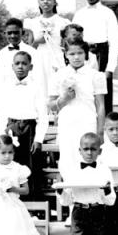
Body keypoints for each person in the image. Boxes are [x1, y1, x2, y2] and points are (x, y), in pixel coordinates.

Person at [49, 40, 106, 173]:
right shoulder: (58, 76)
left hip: (88, 123)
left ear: (86, 54)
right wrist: (64, 99)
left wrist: (100, 132)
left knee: (88, 158)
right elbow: (51, 105)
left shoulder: (96, 76)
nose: (76, 57)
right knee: (68, 160)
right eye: (72, 53)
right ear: (66, 55)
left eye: (80, 53)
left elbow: (101, 106)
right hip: (67, 124)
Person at [0, 51, 48, 198]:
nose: (20, 67)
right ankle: (12, 200)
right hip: (11, 129)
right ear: (12, 66)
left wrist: (38, 139)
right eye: (17, 63)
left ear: (30, 67)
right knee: (11, 164)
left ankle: (34, 204)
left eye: (24, 64)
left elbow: (43, 117)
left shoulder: (37, 86)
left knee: (31, 167)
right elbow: (2, 114)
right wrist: (1, 135)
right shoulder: (6, 86)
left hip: (30, 130)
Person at [73, 0, 118, 114]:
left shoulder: (108, 13)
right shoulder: (79, 14)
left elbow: (114, 42)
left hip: (102, 55)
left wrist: (110, 68)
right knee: (84, 92)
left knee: (103, 94)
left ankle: (105, 128)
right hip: (84, 57)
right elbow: (74, 39)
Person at [23, 0, 70, 90]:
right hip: (39, 61)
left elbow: (67, 45)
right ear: (38, 2)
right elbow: (29, 49)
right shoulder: (32, 23)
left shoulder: (63, 22)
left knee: (58, 89)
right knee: (41, 89)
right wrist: (38, 41)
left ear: (54, 2)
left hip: (57, 59)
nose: (45, 2)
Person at [0, 18, 39, 103]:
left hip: (28, 95)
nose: (12, 36)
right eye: (9, 33)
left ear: (22, 32)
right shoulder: (2, 53)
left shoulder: (32, 52)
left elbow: (37, 77)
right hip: (8, 95)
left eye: (16, 32)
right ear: (5, 34)